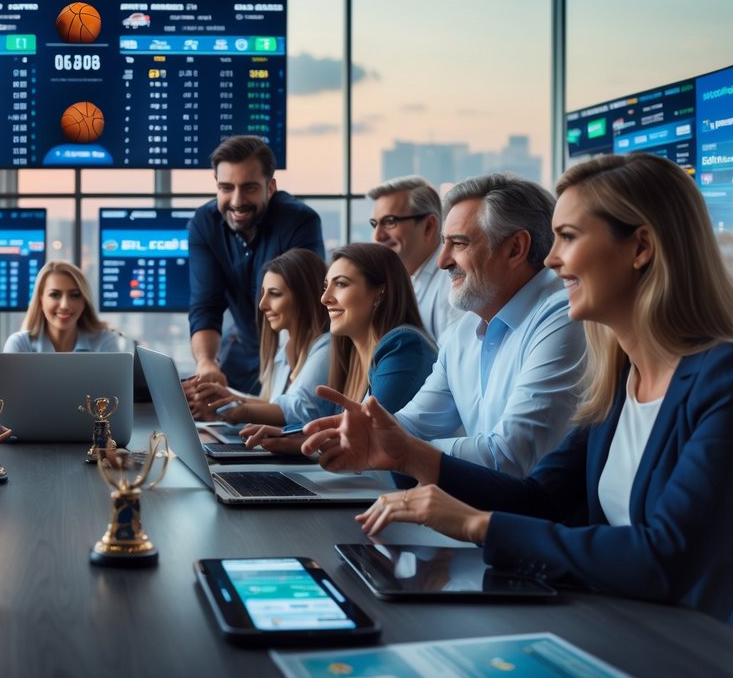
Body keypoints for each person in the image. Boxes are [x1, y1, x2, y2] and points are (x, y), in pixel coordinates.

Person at [303, 153, 733, 624]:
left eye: (567, 237)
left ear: (641, 248)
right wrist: (408, 457)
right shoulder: (620, 382)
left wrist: (477, 524)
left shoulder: (720, 381)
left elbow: (665, 556)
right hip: (619, 624)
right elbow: (540, 499)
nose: (551, 258)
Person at [345, 174, 587, 477]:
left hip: (534, 519)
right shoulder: (464, 330)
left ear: (515, 248)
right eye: (445, 244)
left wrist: (396, 449)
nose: (442, 261)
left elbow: (511, 457)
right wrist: (347, 433)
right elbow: (412, 424)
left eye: (458, 243)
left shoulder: (564, 316)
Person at [239, 243, 436, 453]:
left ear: (380, 292)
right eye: (325, 287)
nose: (325, 298)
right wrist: (289, 434)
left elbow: (369, 431)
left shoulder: (403, 345)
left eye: (341, 284)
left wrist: (297, 438)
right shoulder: (353, 359)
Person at [185, 134, 325, 400]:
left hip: (293, 351)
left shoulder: (299, 221)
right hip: (243, 349)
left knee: (283, 421)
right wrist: (206, 362)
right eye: (226, 188)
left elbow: (306, 309)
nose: (237, 201)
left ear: (270, 187)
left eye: (249, 187)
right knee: (213, 420)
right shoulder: (204, 223)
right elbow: (206, 305)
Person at [189, 249, 330, 427]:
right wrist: (228, 398)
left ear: (305, 297)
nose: (262, 305)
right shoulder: (286, 347)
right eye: (263, 294)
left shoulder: (326, 348)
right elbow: (274, 405)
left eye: (275, 294)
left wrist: (238, 411)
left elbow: (300, 410)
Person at [367, 176, 461, 344]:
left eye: (389, 222)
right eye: (375, 224)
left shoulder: (452, 283)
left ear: (429, 226)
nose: (377, 236)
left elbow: (455, 365)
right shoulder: (408, 279)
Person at [3, 261, 126, 353]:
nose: (65, 305)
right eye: (55, 295)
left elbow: (114, 388)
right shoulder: (20, 345)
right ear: (40, 300)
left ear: (84, 301)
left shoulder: (105, 341)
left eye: (75, 295)